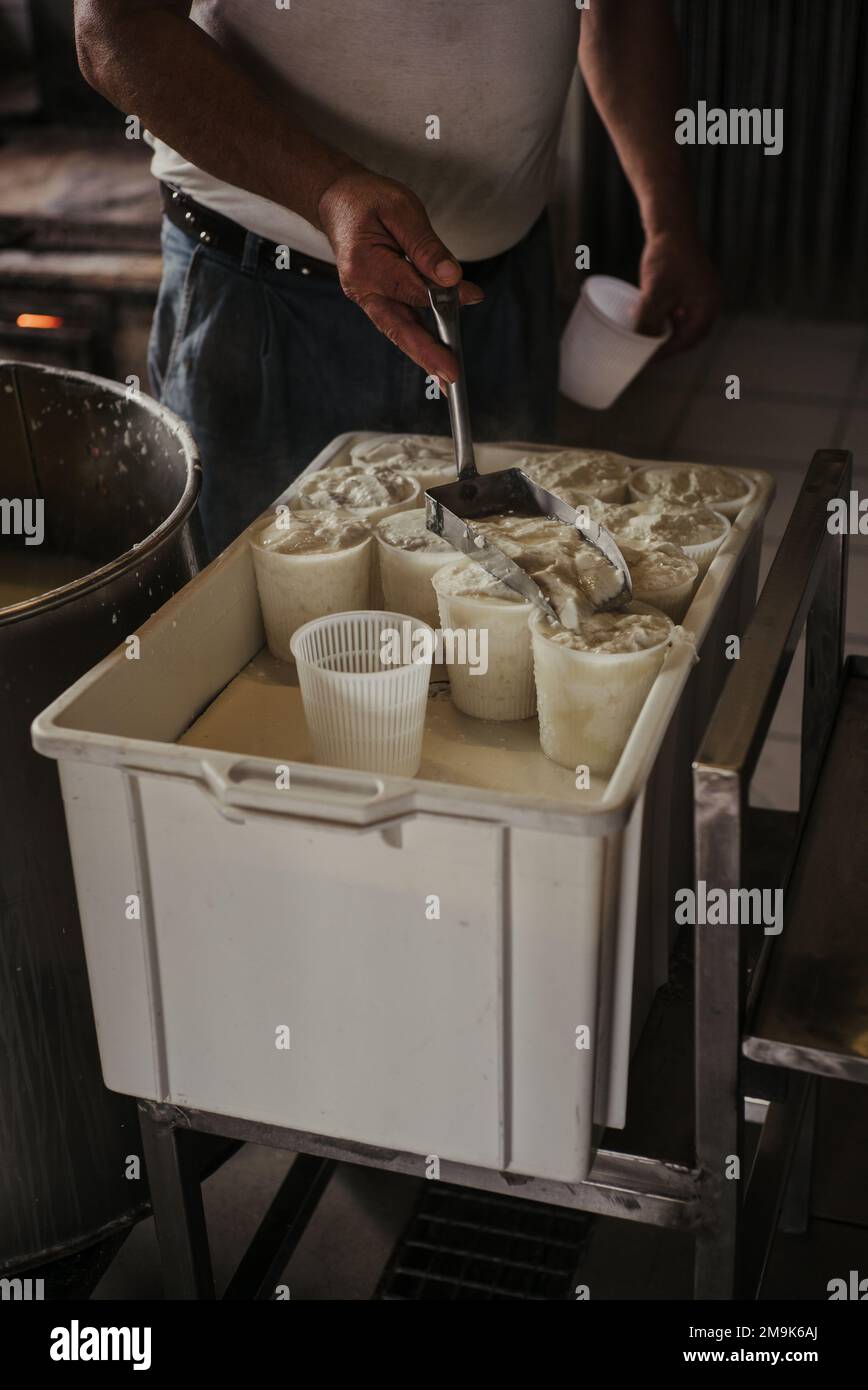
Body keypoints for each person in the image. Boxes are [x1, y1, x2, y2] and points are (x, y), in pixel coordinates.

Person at [75, 1, 720, 554]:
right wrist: (328, 190)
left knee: (495, 618)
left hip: (496, 293)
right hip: (268, 294)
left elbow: (624, 10)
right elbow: (114, 26)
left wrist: (667, 220)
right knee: (259, 629)